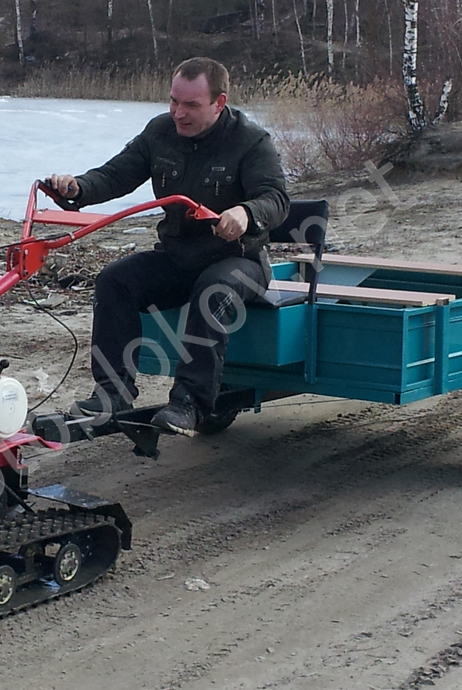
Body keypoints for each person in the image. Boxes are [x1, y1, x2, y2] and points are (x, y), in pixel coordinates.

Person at [50, 56, 289, 437]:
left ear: (219, 103)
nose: (178, 113)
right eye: (174, 101)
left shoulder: (250, 141)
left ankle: (189, 404)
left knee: (214, 289)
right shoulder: (160, 133)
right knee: (116, 280)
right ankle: (113, 393)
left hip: (239, 260)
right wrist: (77, 188)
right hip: (179, 257)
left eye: (191, 105)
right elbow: (116, 175)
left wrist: (245, 213)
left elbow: (276, 198)